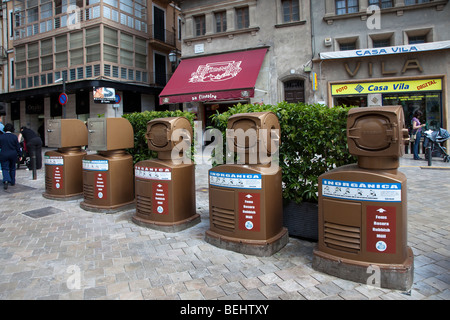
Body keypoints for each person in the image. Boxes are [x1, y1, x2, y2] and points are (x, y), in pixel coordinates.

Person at [0, 123, 22, 190]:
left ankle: (6, 180)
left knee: (5, 168)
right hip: (13, 154)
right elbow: (18, 147)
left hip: (3, 154)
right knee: (12, 168)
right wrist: (20, 155)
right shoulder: (14, 137)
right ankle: (12, 181)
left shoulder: (1, 137)